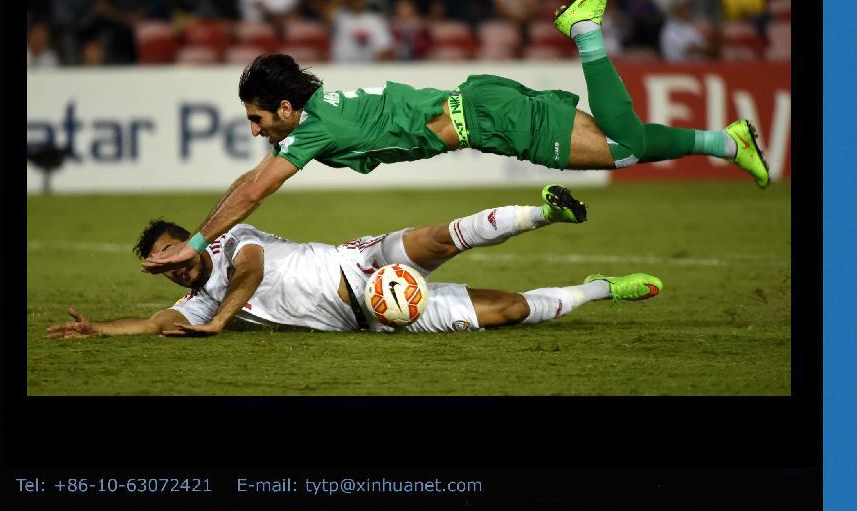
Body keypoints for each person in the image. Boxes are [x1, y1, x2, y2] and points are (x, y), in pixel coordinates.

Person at [143, 0, 769, 275]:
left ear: (283, 108)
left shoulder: (314, 130)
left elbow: (254, 190)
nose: (255, 131)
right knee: (623, 146)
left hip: (490, 117)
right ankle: (727, 141)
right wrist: (206, 230)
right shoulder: (317, 116)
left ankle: (584, 27)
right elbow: (246, 182)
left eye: (257, 119)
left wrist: (198, 243)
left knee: (624, 147)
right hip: (486, 108)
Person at [49, 186, 662, 338]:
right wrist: (99, 330)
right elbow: (158, 324)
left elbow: (253, 274)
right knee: (512, 310)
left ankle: (545, 213)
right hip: (378, 313)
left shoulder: (234, 241)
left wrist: (217, 322)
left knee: (442, 237)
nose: (171, 269)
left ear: (189, 243)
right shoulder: (198, 303)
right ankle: (600, 288)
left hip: (360, 260)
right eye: (160, 266)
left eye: (170, 255)